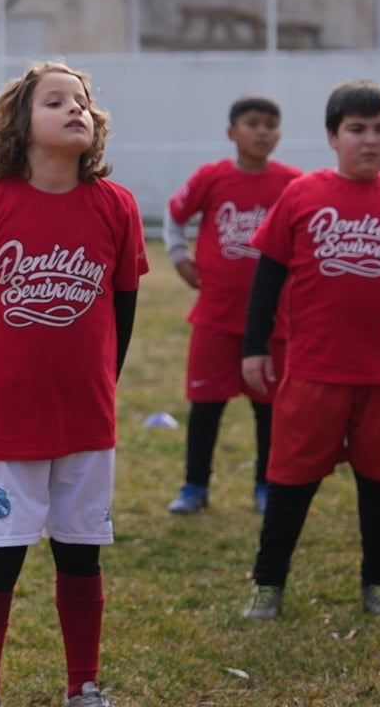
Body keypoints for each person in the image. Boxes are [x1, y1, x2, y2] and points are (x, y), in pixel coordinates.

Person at [0, 61, 146, 707]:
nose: (76, 109)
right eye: (56, 102)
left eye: (82, 101)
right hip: (3, 418)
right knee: (1, 558)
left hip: (84, 417)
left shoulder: (115, 205)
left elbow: (124, 300)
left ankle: (84, 686)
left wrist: (108, 380)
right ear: (21, 126)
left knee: (82, 557)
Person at [239, 78, 380, 620]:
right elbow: (267, 277)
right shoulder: (303, 195)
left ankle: (379, 580)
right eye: (357, 129)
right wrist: (255, 345)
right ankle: (268, 583)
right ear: (333, 136)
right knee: (290, 481)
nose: (371, 140)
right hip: (315, 371)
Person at [163, 94, 300, 515]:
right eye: (253, 123)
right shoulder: (212, 177)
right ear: (231, 132)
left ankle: (265, 484)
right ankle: (194, 486)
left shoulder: (292, 183)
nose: (263, 132)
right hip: (216, 317)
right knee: (205, 407)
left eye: (271, 124)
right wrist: (179, 256)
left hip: (272, 322)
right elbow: (175, 213)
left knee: (268, 409)